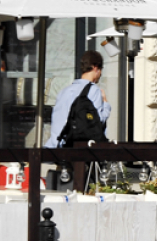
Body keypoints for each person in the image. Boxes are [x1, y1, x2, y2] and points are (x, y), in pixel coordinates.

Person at [47, 50, 111, 191]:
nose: (100, 74)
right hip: (82, 157)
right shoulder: (93, 91)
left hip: (60, 153)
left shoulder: (64, 91)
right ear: (95, 68)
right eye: (100, 70)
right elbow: (96, 124)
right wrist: (106, 106)